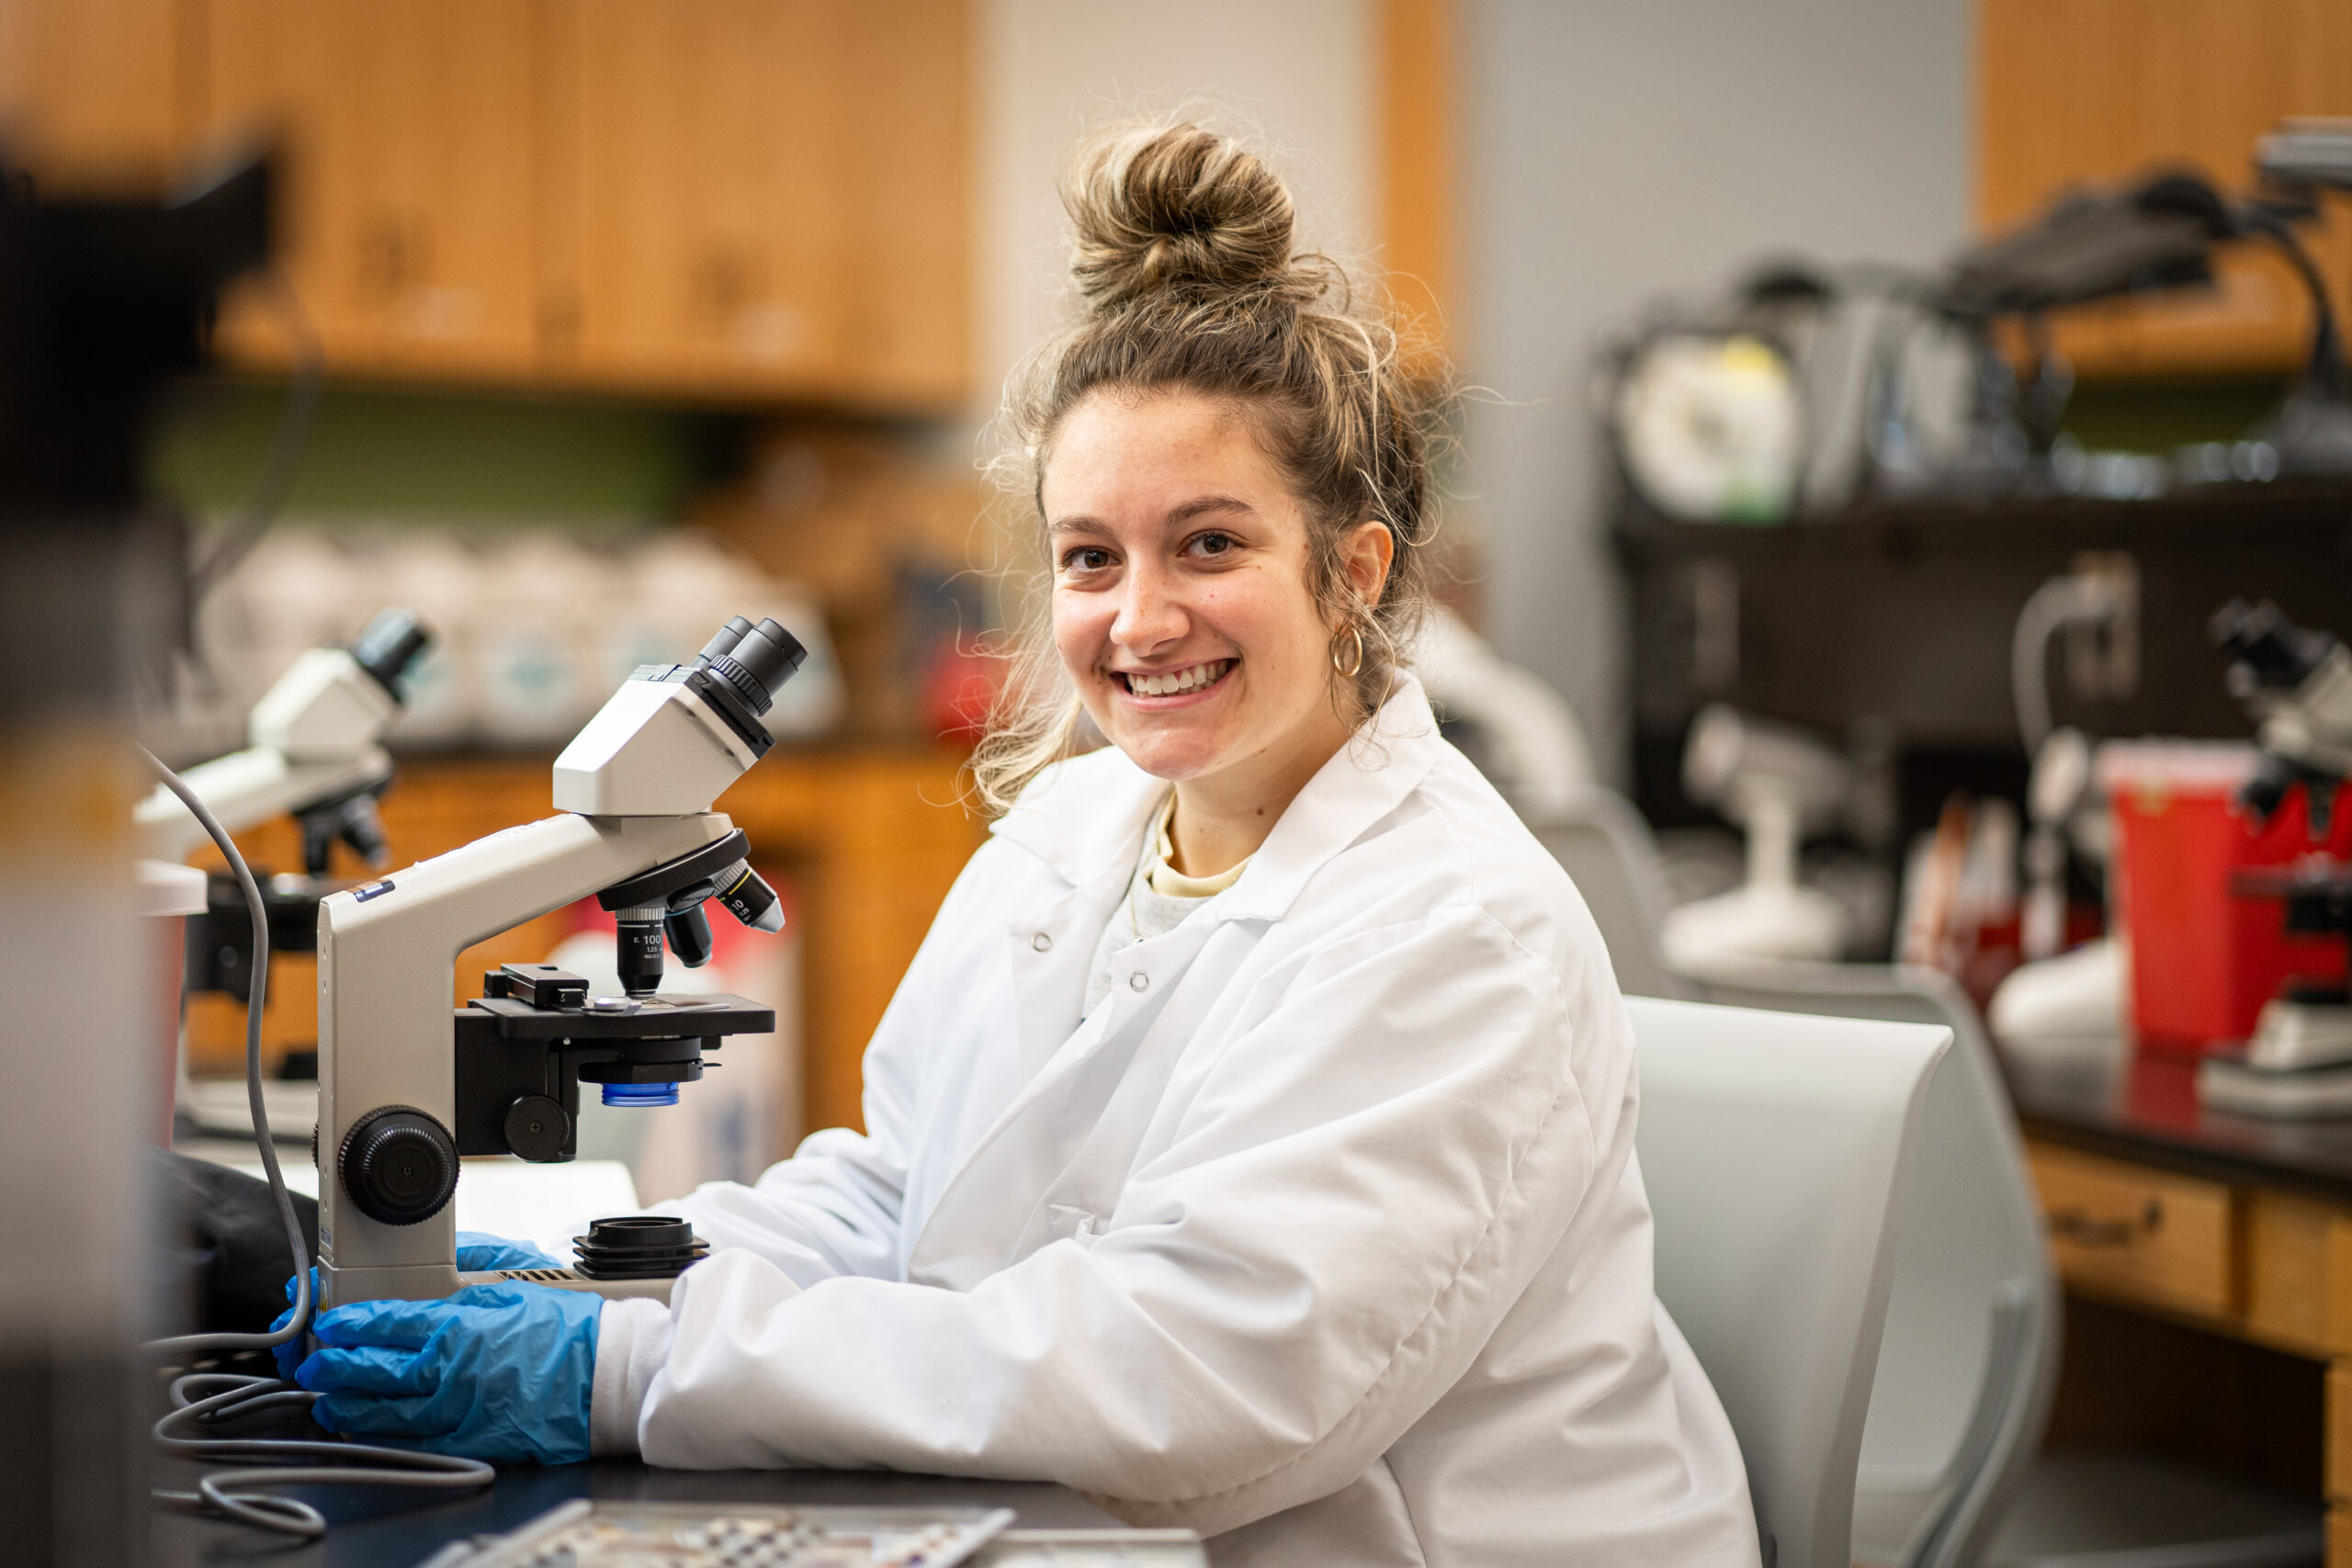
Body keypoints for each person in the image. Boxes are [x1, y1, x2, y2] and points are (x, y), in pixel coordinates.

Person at [288, 121, 1761, 1566]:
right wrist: (622, 1281)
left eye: (1211, 544)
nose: (1139, 619)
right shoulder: (1072, 829)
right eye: (1089, 558)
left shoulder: (1455, 924)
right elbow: (893, 1192)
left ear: (1353, 569)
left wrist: (627, 1373)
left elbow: (1199, 1380)